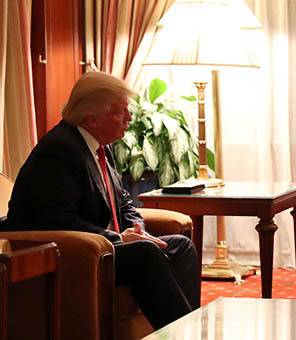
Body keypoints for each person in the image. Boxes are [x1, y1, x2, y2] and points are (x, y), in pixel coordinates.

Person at [6, 71, 200, 328]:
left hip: (104, 247)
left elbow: (122, 202)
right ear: (92, 119)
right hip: (71, 253)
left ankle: (188, 330)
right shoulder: (58, 151)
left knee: (180, 246)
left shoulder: (101, 146)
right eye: (121, 112)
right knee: (145, 253)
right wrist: (119, 238)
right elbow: (59, 221)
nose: (129, 119)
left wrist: (137, 228)